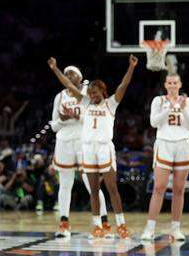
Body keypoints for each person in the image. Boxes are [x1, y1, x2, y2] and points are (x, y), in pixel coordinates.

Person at [48, 55, 138, 239]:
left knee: (111, 188)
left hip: (103, 148)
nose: (93, 95)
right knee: (93, 189)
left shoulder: (111, 104)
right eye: (91, 92)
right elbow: (69, 86)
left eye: (96, 92)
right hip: (87, 148)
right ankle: (97, 226)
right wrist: (55, 69)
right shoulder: (85, 102)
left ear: (103, 92)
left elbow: (123, 85)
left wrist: (131, 67)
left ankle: (119, 224)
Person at [49, 64, 110, 239]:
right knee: (65, 184)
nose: (68, 76)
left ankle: (104, 223)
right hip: (64, 142)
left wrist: (76, 116)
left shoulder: (87, 94)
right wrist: (62, 119)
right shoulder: (59, 97)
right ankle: (64, 223)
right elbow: (53, 126)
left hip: (84, 142)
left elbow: (94, 119)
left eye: (71, 74)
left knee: (91, 184)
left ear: (79, 77)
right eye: (66, 74)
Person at [141, 73, 189, 241]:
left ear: (180, 84)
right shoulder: (159, 101)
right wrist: (170, 107)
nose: (172, 85)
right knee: (159, 188)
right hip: (164, 143)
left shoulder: (188, 101)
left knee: (179, 189)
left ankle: (175, 228)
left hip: (183, 144)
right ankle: (150, 228)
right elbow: (154, 122)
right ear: (165, 85)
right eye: (169, 83)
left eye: (175, 83)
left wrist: (181, 107)